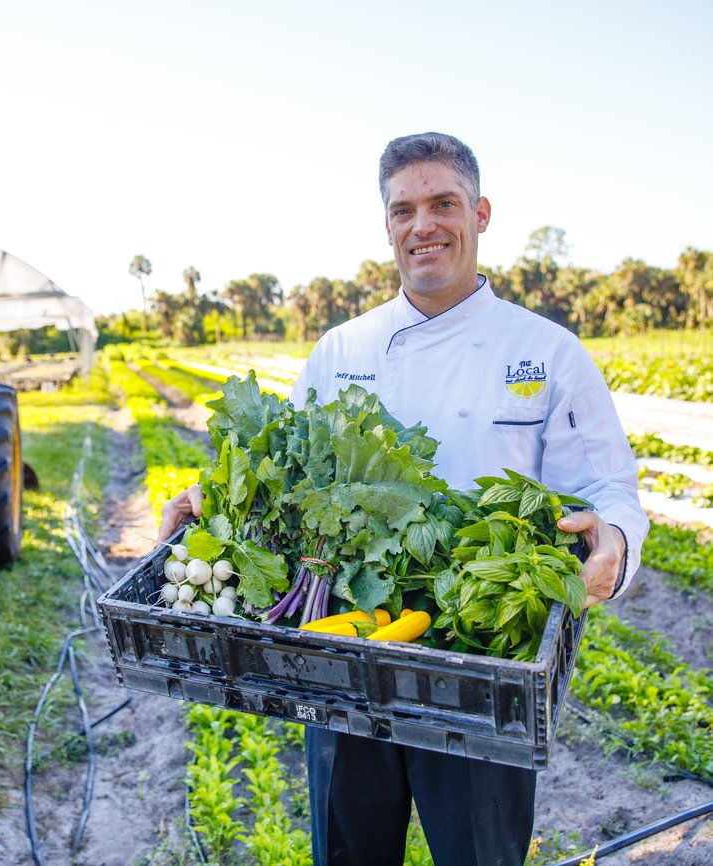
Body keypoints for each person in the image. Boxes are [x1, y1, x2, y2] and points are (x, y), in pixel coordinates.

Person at [158, 132, 649, 866]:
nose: (424, 225)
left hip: (480, 668)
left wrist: (613, 538)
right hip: (341, 653)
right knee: (350, 851)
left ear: (480, 214)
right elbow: (281, 475)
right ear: (386, 226)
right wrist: (216, 504)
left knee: (478, 853)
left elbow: (611, 490)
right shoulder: (341, 349)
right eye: (404, 210)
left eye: (443, 203)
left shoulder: (546, 352)